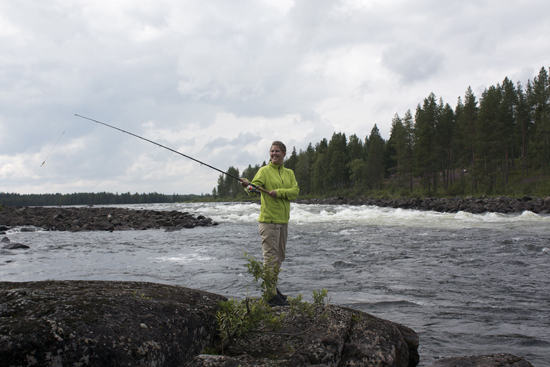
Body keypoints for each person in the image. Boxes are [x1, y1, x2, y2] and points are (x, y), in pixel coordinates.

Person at [240, 141, 299, 306]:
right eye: (272, 151)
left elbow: (295, 192)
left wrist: (278, 192)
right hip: (268, 221)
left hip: (283, 221)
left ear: (284, 153)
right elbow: (253, 189)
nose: (274, 154)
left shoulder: (289, 173)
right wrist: (247, 186)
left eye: (277, 151)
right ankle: (270, 295)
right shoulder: (264, 171)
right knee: (270, 258)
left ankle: (272, 288)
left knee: (279, 257)